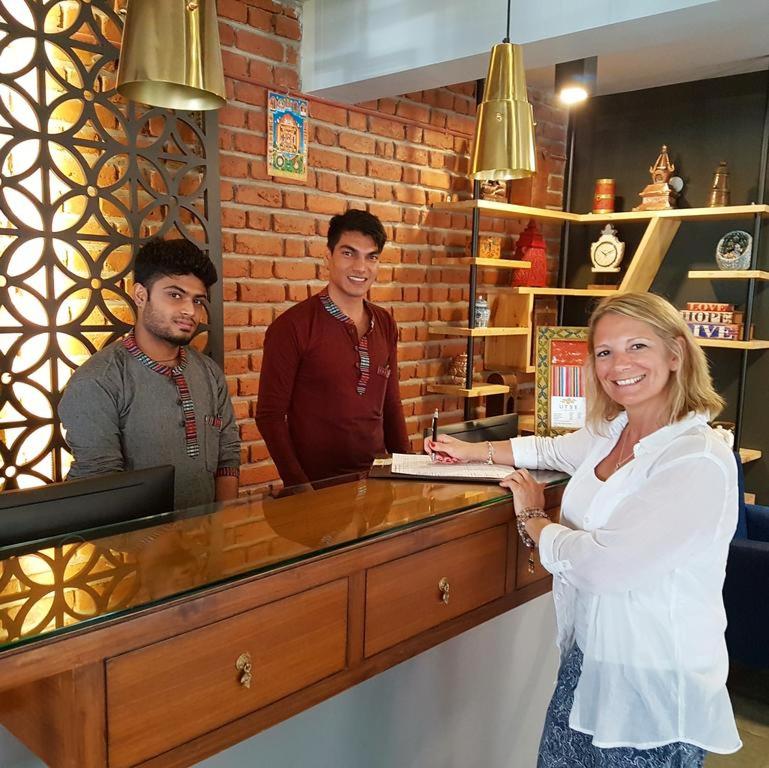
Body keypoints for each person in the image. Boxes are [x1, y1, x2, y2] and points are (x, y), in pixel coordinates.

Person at [425, 292, 741, 767]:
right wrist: (472, 452)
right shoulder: (614, 432)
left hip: (652, 683)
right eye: (604, 352)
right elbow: (550, 452)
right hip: (589, 660)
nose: (619, 365)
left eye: (637, 346)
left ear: (675, 354)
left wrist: (536, 521)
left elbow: (604, 568)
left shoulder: (694, 458)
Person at [59, 238, 240, 509]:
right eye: (175, 295)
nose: (190, 311)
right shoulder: (98, 381)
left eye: (198, 300)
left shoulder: (209, 373)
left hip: (205, 544)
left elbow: (227, 457)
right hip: (131, 548)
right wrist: (153, 548)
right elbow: (100, 486)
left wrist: (222, 528)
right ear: (141, 295)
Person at [256, 209, 409, 489]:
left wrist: (408, 471)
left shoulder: (385, 322)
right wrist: (300, 487)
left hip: (378, 484)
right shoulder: (292, 326)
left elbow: (391, 404)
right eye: (349, 253)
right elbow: (270, 416)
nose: (361, 267)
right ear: (328, 256)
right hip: (318, 488)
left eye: (371, 256)